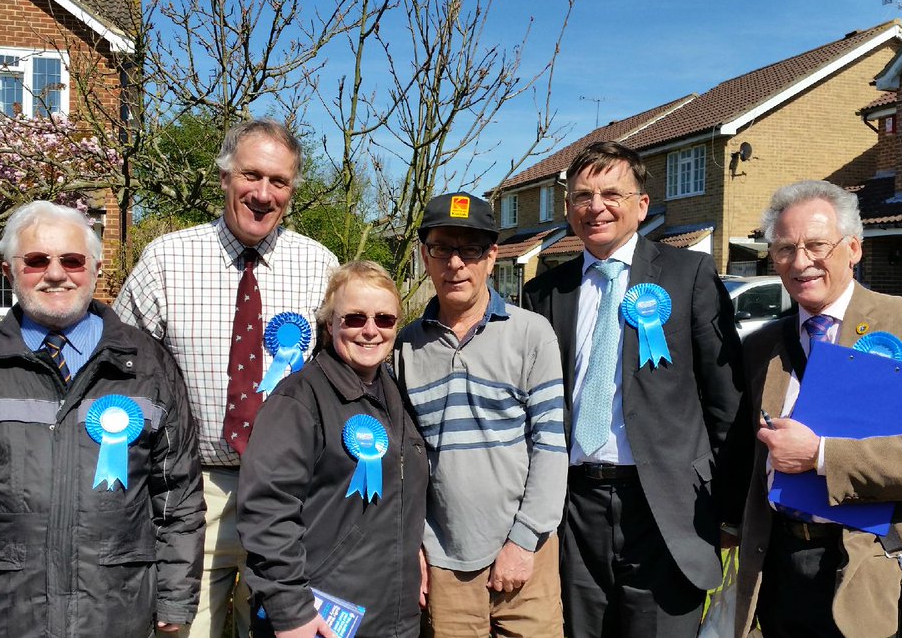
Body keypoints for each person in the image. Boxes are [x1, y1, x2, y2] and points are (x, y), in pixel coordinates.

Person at [0, 200, 205, 638]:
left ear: (95, 268)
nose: (56, 274)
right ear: (8, 271)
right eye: (37, 260)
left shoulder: (150, 367)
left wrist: (175, 596)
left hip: (116, 617)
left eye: (72, 260)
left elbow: (178, 496)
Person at [115, 118, 339, 638]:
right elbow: (120, 372)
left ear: (292, 191)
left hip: (290, 498)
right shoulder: (165, 261)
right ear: (224, 177)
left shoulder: (319, 265)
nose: (263, 194)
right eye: (251, 175)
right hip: (193, 493)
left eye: (279, 181)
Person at [720, 180, 902, 638]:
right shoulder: (761, 345)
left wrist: (820, 455)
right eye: (784, 249)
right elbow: (742, 454)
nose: (800, 262)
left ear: (853, 248)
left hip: (870, 568)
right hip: (779, 568)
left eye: (817, 245)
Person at [522, 141, 744, 637]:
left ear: (642, 205)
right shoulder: (544, 292)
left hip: (667, 509)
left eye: (611, 194)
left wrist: (730, 509)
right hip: (574, 508)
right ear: (568, 208)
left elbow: (725, 400)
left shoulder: (688, 275)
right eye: (582, 196)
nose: (595, 207)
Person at [395, 192, 568, 637]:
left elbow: (550, 447)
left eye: (470, 249)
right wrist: (413, 544)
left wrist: (523, 541)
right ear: (424, 257)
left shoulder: (532, 334)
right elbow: (402, 461)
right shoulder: (403, 347)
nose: (455, 263)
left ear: (492, 257)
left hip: (527, 556)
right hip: (444, 562)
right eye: (441, 248)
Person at [238, 261, 427, 638]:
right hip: (321, 618)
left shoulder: (395, 394)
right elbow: (267, 510)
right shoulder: (298, 400)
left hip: (393, 616)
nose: (370, 330)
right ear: (329, 324)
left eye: (384, 319)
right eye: (355, 318)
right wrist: (290, 609)